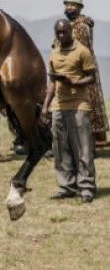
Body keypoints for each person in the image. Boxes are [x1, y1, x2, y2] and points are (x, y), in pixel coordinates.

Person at [44, 18, 98, 203]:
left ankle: (87, 187)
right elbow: (51, 82)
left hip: (79, 106)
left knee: (82, 149)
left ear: (70, 32)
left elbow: (91, 77)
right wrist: (45, 107)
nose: (61, 35)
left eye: (64, 32)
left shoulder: (82, 52)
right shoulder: (53, 54)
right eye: (58, 32)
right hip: (59, 107)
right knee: (61, 149)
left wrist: (75, 82)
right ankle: (66, 186)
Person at [62, 0, 108, 146]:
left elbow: (82, 51)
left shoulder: (80, 26)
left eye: (72, 5)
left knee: (85, 107)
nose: (69, 7)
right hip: (76, 70)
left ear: (80, 8)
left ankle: (88, 143)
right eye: (67, 4)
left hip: (82, 72)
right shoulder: (72, 24)